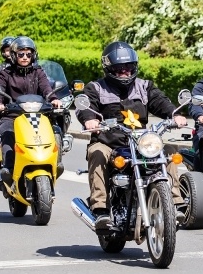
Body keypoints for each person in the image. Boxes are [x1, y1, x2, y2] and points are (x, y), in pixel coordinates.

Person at [77, 41, 187, 228]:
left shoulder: (144, 86)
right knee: (97, 152)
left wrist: (174, 114)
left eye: (128, 67)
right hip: (109, 142)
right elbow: (85, 106)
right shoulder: (96, 88)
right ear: (109, 68)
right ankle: (100, 208)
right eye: (119, 69)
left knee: (168, 151)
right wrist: (89, 119)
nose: (125, 72)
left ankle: (175, 203)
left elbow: (160, 101)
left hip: (139, 141)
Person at [0, 36, 62, 185]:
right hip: (13, 115)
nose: (24, 57)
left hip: (36, 114)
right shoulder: (6, 73)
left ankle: (56, 162)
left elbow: (46, 88)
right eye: (21, 54)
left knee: (55, 130)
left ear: (33, 55)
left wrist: (54, 99)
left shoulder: (38, 72)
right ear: (14, 55)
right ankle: (9, 168)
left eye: (28, 54)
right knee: (8, 133)